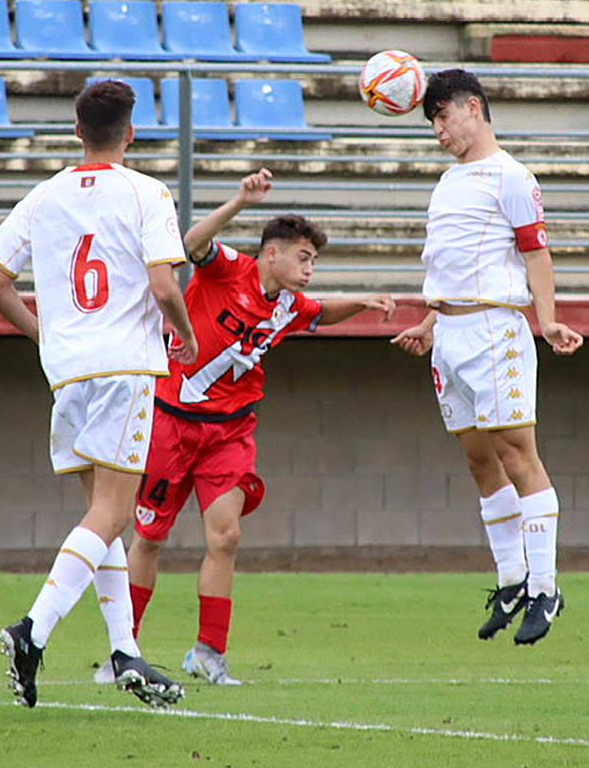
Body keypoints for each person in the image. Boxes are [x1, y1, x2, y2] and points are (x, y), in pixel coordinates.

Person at [92, 169, 396, 685]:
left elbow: (321, 314)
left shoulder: (290, 307)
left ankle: (209, 652)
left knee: (227, 536)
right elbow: (190, 245)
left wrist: (363, 304)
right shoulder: (228, 269)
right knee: (148, 537)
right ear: (271, 254)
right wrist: (238, 200)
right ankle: (124, 651)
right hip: (173, 422)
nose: (310, 269)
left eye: (314, 261)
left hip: (229, 432)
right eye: (303, 258)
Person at [0, 79, 199, 708]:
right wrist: (184, 336)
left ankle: (124, 651)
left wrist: (47, 336)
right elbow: (162, 286)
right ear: (131, 133)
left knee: (101, 517)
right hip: (124, 365)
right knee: (114, 513)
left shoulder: (44, 195)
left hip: (68, 369)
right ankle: (32, 630)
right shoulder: (146, 191)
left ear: (78, 131)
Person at [390, 69, 583, 646]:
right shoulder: (449, 182)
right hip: (449, 335)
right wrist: (428, 322)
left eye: (443, 116)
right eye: (431, 122)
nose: (438, 130)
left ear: (473, 108)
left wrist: (545, 321)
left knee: (517, 454)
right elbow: (450, 266)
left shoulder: (512, 177)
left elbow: (535, 254)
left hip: (494, 331)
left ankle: (547, 588)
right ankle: (511, 579)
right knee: (479, 460)